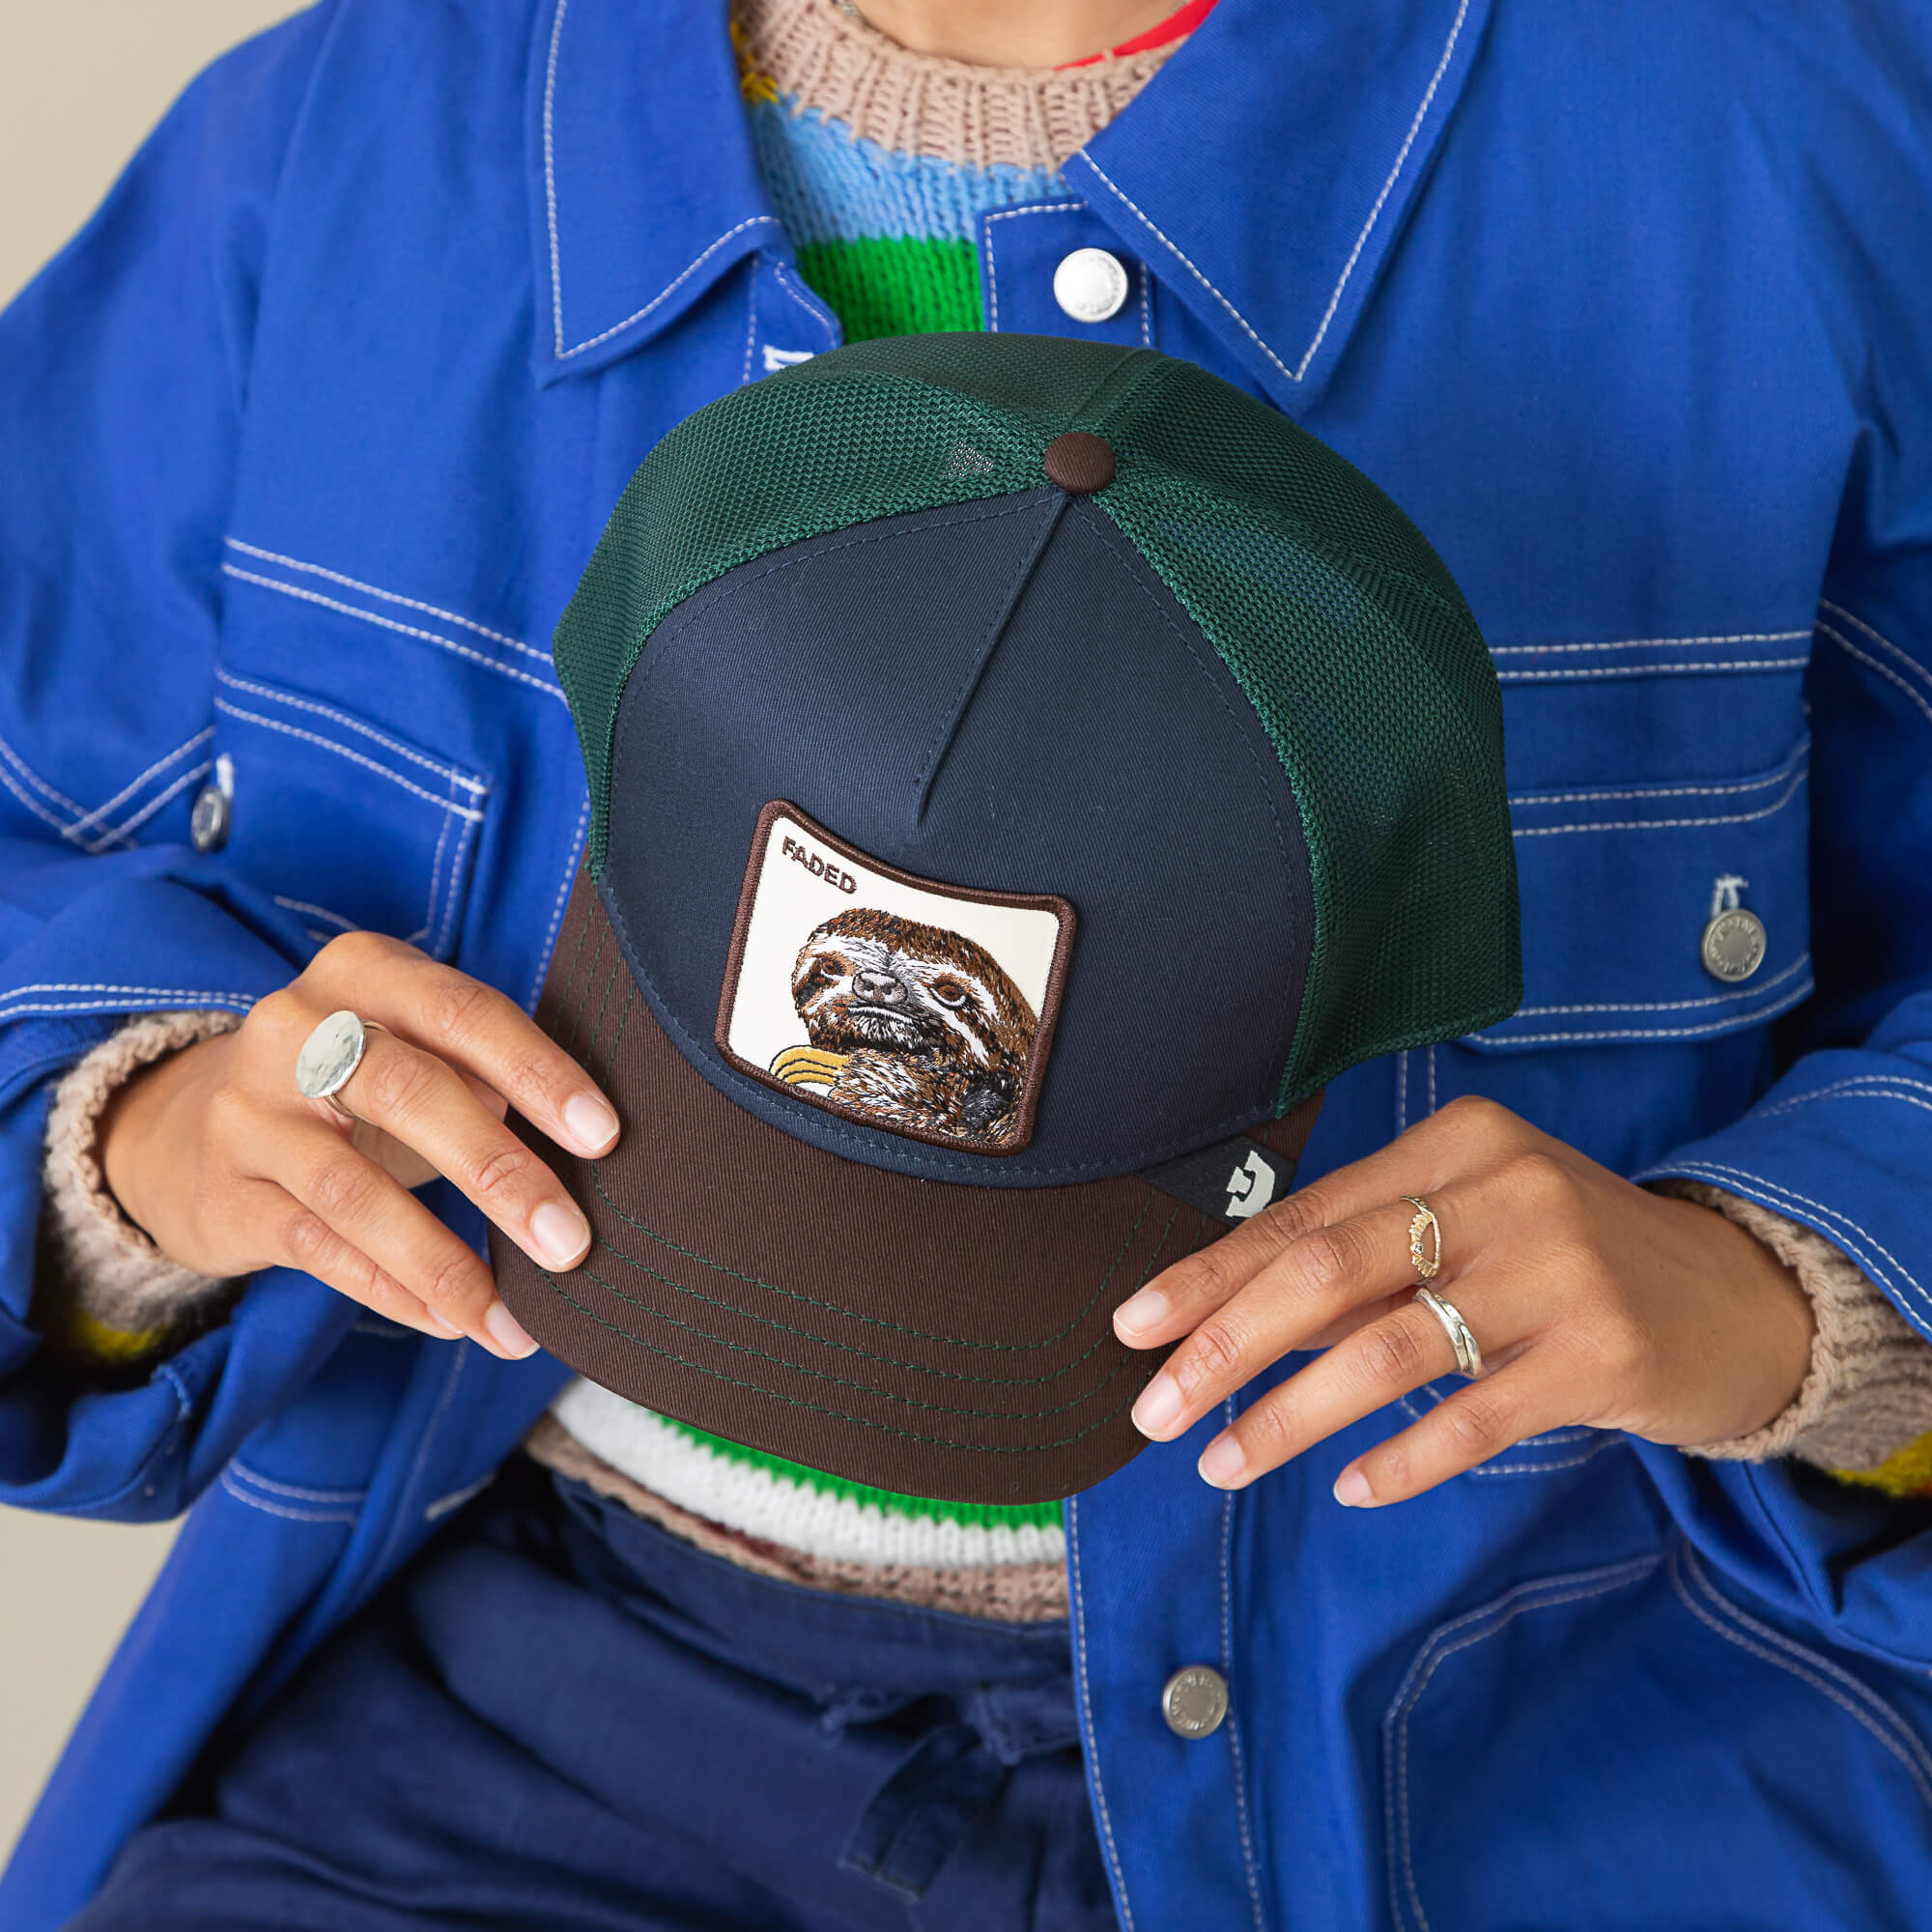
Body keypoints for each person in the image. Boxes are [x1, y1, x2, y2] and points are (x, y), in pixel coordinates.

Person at [3, 0, 1932, 1925]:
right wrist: (135, 1149)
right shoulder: (343, 155)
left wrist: (1789, 1301)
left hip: (1539, 1728)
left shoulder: (1796, 145)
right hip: (530, 1704)